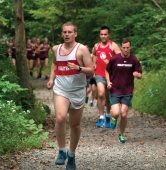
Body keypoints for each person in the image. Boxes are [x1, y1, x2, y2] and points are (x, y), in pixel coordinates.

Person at [46, 21, 94, 170]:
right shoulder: (56, 49)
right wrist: (51, 79)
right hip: (61, 89)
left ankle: (71, 155)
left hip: (78, 90)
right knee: (60, 118)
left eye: (70, 32)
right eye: (64, 32)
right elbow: (55, 64)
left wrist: (78, 68)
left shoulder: (82, 50)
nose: (67, 34)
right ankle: (61, 151)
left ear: (75, 34)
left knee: (75, 125)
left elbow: (91, 71)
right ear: (62, 34)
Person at [106, 38, 142, 143]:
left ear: (130, 47)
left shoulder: (134, 60)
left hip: (127, 91)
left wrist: (137, 75)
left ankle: (121, 134)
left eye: (128, 48)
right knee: (116, 113)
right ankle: (114, 117)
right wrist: (108, 82)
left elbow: (140, 74)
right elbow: (107, 70)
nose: (126, 49)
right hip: (115, 90)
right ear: (121, 47)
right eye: (124, 47)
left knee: (124, 113)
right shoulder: (114, 59)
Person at [92, 26, 121, 128]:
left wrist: (111, 63)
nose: (103, 36)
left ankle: (108, 115)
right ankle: (101, 117)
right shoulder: (96, 46)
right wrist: (94, 64)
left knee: (108, 97)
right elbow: (94, 55)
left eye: (105, 34)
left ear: (109, 35)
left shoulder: (113, 45)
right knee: (100, 94)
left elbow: (120, 58)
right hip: (99, 73)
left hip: (111, 75)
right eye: (101, 34)